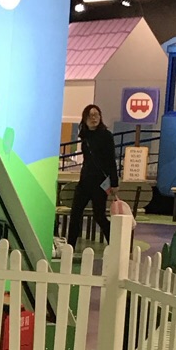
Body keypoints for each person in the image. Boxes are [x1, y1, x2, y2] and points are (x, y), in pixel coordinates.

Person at [70, 103, 117, 245]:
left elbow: (111, 160)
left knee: (99, 216)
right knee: (75, 213)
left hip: (100, 183)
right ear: (84, 118)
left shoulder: (106, 135)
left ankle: (114, 243)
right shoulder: (85, 136)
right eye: (90, 115)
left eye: (96, 115)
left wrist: (114, 183)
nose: (94, 118)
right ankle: (70, 246)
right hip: (84, 182)